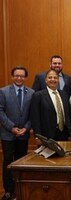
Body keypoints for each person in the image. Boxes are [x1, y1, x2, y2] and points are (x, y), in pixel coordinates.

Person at [0, 66, 34, 200]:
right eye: (16, 75)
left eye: (22, 76)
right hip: (8, 134)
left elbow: (32, 114)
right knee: (8, 162)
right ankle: (8, 191)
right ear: (12, 76)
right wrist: (12, 127)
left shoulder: (31, 93)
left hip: (23, 134)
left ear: (25, 77)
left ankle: (19, 189)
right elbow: (0, 111)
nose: (19, 78)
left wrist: (26, 128)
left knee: (21, 162)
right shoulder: (3, 92)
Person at [30, 69, 71, 142]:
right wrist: (38, 135)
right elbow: (35, 117)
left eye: (55, 78)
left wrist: (70, 132)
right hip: (46, 135)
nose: (53, 79)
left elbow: (68, 114)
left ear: (58, 80)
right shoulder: (38, 95)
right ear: (46, 80)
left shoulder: (64, 95)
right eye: (50, 77)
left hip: (63, 133)